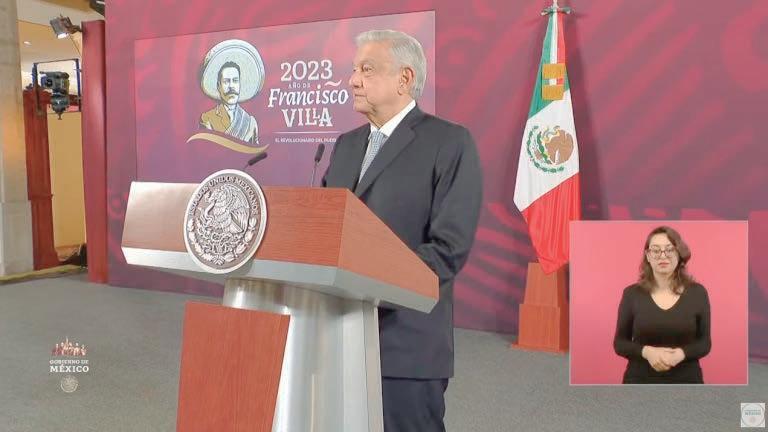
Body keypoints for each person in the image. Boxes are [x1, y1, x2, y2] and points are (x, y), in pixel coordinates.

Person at [322, 29, 482, 431]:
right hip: (337, 336)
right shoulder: (344, 145)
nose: (352, 80)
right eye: (354, 69)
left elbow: (448, 248)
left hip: (405, 345)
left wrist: (368, 285)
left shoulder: (449, 142)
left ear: (404, 78)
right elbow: (323, 229)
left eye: (367, 69)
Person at [613, 226, 711, 384]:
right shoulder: (631, 294)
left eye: (669, 250)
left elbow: (704, 343)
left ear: (679, 253)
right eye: (656, 250)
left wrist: (681, 354)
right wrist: (647, 352)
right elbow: (620, 343)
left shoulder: (698, 293)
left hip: (687, 380)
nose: (663, 256)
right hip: (639, 380)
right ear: (648, 256)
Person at [199, 61, 259, 143]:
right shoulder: (208, 119)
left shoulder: (250, 122)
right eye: (226, 81)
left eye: (235, 81)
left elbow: (255, 149)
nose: (231, 86)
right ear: (219, 86)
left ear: (240, 84)